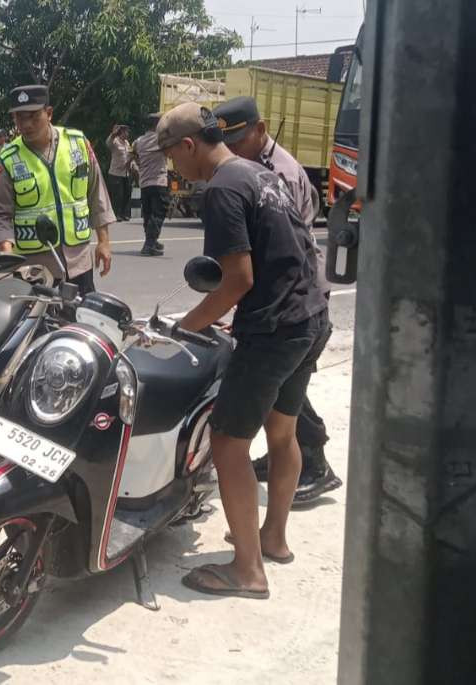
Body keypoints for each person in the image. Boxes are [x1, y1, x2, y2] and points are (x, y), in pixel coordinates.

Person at [157, 103, 330, 598]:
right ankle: (273, 537)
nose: (173, 167)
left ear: (189, 146)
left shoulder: (222, 189)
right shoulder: (260, 174)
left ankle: (248, 571)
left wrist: (184, 329)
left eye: (171, 156)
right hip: (310, 316)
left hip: (274, 329)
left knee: (229, 442)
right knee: (282, 430)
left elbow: (237, 280)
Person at [214, 95, 343, 504]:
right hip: (287, 292)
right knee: (280, 386)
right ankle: (283, 456)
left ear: (261, 129)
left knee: (275, 379)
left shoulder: (278, 172)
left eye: (238, 138)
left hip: (295, 290)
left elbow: (283, 250)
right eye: (225, 141)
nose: (231, 149)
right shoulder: (249, 169)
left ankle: (316, 461)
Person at [0, 84, 115, 293]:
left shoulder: (78, 144)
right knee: (39, 326)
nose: (26, 124)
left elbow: (96, 194)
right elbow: (0, 214)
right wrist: (6, 255)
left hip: (79, 262)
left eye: (33, 116)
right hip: (34, 268)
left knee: (81, 321)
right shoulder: (7, 159)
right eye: (19, 118)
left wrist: (104, 242)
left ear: (48, 113)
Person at [132, 113, 168, 256]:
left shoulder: (139, 141)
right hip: (159, 181)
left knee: (148, 214)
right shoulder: (161, 139)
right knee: (158, 213)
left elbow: (132, 154)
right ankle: (149, 243)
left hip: (145, 182)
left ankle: (152, 240)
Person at [105, 124, 133, 221]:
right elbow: (108, 143)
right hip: (115, 173)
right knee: (118, 195)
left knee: (127, 193)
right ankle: (116, 214)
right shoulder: (115, 141)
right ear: (121, 132)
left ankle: (124, 214)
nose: (127, 134)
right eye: (126, 132)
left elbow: (129, 155)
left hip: (126, 173)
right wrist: (112, 134)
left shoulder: (126, 143)